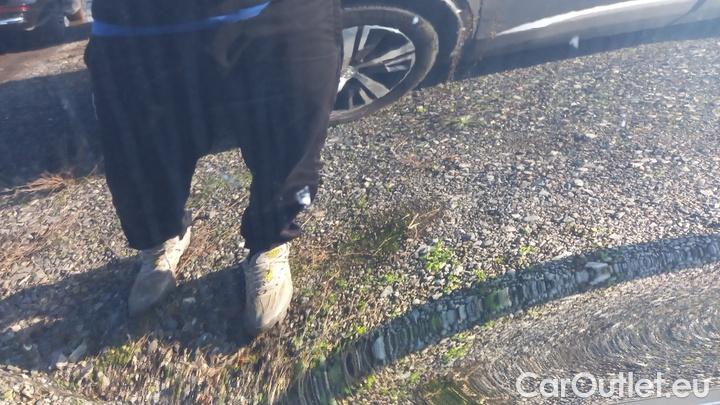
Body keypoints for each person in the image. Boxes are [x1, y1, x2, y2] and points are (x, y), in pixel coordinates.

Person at [84, 0, 342, 335]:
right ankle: (161, 238)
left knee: (289, 145)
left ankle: (270, 241)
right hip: (136, 21)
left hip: (277, 12)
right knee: (138, 158)